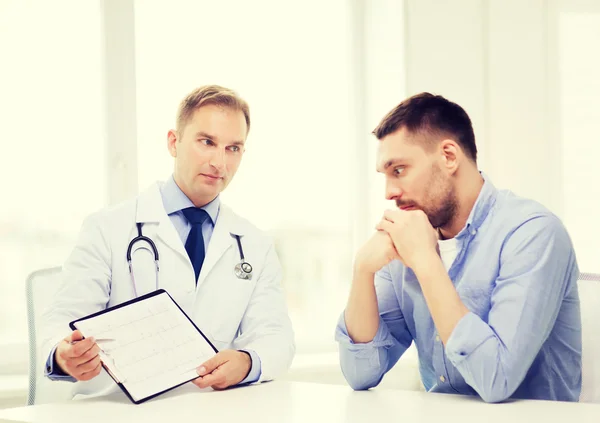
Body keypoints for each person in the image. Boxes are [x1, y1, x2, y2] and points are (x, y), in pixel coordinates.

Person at [41, 85, 295, 398]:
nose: (220, 162)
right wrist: (63, 355)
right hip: (117, 412)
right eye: (207, 142)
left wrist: (247, 362)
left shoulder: (254, 244)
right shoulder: (107, 228)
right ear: (174, 142)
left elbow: (276, 337)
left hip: (213, 411)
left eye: (233, 148)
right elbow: (62, 322)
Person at [335, 92, 581, 403]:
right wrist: (362, 270)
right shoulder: (409, 237)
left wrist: (425, 261)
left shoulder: (532, 233)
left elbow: (496, 380)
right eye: (385, 176)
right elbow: (360, 374)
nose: (389, 192)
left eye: (398, 170)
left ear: (449, 156)